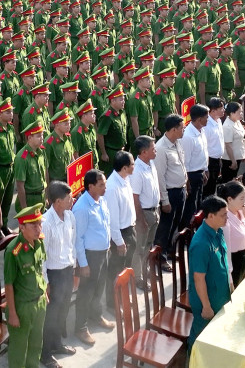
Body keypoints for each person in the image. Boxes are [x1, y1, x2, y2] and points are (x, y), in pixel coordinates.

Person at [72, 168, 113, 346]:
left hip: (103, 253)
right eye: (101, 184)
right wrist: (84, 264)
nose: (105, 187)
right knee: (86, 292)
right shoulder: (81, 208)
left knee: (99, 288)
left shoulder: (101, 200)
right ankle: (80, 327)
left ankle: (95, 315)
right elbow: (78, 239)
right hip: (90, 256)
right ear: (90, 187)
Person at [4, 204, 48, 368]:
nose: (38, 228)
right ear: (22, 227)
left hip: (39, 301)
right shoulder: (13, 251)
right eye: (34, 225)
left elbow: (39, 269)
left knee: (36, 344)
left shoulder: (38, 243)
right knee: (19, 349)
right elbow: (8, 284)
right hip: (22, 307)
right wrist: (13, 313)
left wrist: (44, 291)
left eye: (40, 224)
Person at [187, 195, 232, 349]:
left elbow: (223, 261)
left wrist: (229, 283)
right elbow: (199, 279)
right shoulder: (201, 243)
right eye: (223, 215)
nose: (227, 217)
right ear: (211, 216)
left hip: (220, 294)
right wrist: (206, 306)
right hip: (207, 301)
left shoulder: (217, 231)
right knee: (200, 339)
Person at [41, 181, 76, 368]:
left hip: (67, 270)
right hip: (53, 275)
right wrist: (46, 282)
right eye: (68, 198)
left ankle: (57, 344)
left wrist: (75, 267)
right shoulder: (45, 223)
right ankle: (45, 353)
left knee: (62, 311)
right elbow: (42, 258)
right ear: (56, 202)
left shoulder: (70, 217)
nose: (72, 200)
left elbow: (73, 243)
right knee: (50, 316)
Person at [154, 114, 187, 271]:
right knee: (165, 227)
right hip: (169, 193)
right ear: (173, 129)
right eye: (181, 128)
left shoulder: (177, 143)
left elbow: (181, 164)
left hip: (180, 190)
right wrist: (164, 200)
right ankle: (160, 258)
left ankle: (169, 251)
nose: (184, 130)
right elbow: (160, 176)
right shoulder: (161, 148)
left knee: (175, 225)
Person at [103, 151, 136, 310]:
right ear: (124, 168)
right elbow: (113, 220)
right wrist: (119, 242)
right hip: (120, 235)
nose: (134, 166)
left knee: (125, 268)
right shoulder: (112, 187)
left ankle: (123, 297)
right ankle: (113, 302)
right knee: (116, 271)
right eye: (132, 164)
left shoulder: (125, 179)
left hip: (130, 230)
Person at [129, 135, 161, 290]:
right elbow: (135, 198)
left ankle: (145, 269)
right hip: (144, 214)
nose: (155, 151)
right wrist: (141, 220)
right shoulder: (136, 170)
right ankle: (138, 278)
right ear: (143, 152)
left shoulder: (151, 163)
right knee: (140, 248)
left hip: (155, 211)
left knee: (148, 244)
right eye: (152, 148)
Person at [180, 104, 209, 231]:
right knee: (190, 207)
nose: (208, 119)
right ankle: (185, 232)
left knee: (198, 204)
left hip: (201, 172)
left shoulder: (201, 131)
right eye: (206, 117)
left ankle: (195, 229)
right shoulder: (188, 136)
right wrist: (187, 182)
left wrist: (205, 170)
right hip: (191, 175)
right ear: (198, 119)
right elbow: (185, 162)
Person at [218, 181, 245, 287]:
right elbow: (225, 250)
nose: (244, 201)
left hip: (243, 258)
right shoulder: (225, 221)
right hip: (234, 263)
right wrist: (229, 278)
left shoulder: (239, 212)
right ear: (229, 199)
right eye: (241, 198)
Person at [202, 98, 225, 195]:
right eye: (221, 108)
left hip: (218, 160)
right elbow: (204, 146)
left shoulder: (218, 121)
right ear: (213, 110)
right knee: (209, 189)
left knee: (214, 186)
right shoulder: (207, 125)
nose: (224, 110)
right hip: (210, 162)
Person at [220, 102, 245, 183]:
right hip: (230, 159)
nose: (241, 114)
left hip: (237, 156)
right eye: (239, 112)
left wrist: (243, 154)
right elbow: (228, 145)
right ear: (232, 113)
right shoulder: (227, 126)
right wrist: (233, 161)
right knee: (228, 181)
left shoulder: (237, 122)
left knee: (234, 180)